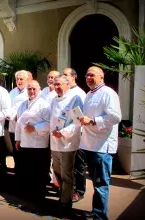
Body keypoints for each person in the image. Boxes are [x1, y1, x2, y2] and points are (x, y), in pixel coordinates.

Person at [79, 66, 121, 219]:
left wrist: (93, 121)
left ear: (101, 77)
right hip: (90, 144)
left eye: (92, 75)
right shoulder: (89, 94)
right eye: (87, 75)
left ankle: (100, 216)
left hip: (102, 147)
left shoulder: (108, 93)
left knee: (101, 184)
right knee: (96, 184)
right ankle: (97, 211)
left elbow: (116, 117)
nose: (89, 78)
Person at [50, 75, 83, 216]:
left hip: (67, 143)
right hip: (55, 143)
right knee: (57, 172)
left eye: (59, 84)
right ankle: (63, 197)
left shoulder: (75, 99)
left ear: (68, 84)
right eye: (55, 84)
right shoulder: (53, 100)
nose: (56, 87)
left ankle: (65, 203)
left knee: (66, 175)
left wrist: (63, 132)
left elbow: (78, 122)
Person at [15, 80, 51, 202]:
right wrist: (18, 139)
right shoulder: (22, 105)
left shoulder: (44, 105)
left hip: (39, 143)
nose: (31, 91)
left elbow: (49, 124)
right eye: (29, 89)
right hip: (25, 142)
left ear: (39, 90)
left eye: (34, 89)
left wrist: (35, 128)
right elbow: (18, 124)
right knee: (27, 170)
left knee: (39, 172)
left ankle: (39, 196)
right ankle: (27, 195)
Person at [62, 67, 87, 203]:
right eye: (62, 74)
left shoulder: (79, 94)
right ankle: (68, 189)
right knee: (67, 165)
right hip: (64, 135)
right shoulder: (65, 92)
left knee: (78, 165)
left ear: (74, 77)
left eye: (66, 75)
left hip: (78, 134)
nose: (64, 76)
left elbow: (79, 118)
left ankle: (79, 191)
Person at [6, 70, 29, 174]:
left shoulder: (30, 91)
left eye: (21, 79)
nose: (19, 81)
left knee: (24, 152)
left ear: (27, 80)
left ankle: (24, 173)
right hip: (13, 127)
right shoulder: (12, 92)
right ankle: (18, 172)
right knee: (15, 152)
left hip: (25, 128)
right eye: (17, 79)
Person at [40, 70, 60, 186]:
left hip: (55, 129)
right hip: (43, 128)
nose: (50, 79)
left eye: (53, 77)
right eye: (49, 77)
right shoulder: (44, 91)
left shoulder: (58, 93)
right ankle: (46, 178)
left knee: (55, 157)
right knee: (45, 155)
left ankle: (56, 181)